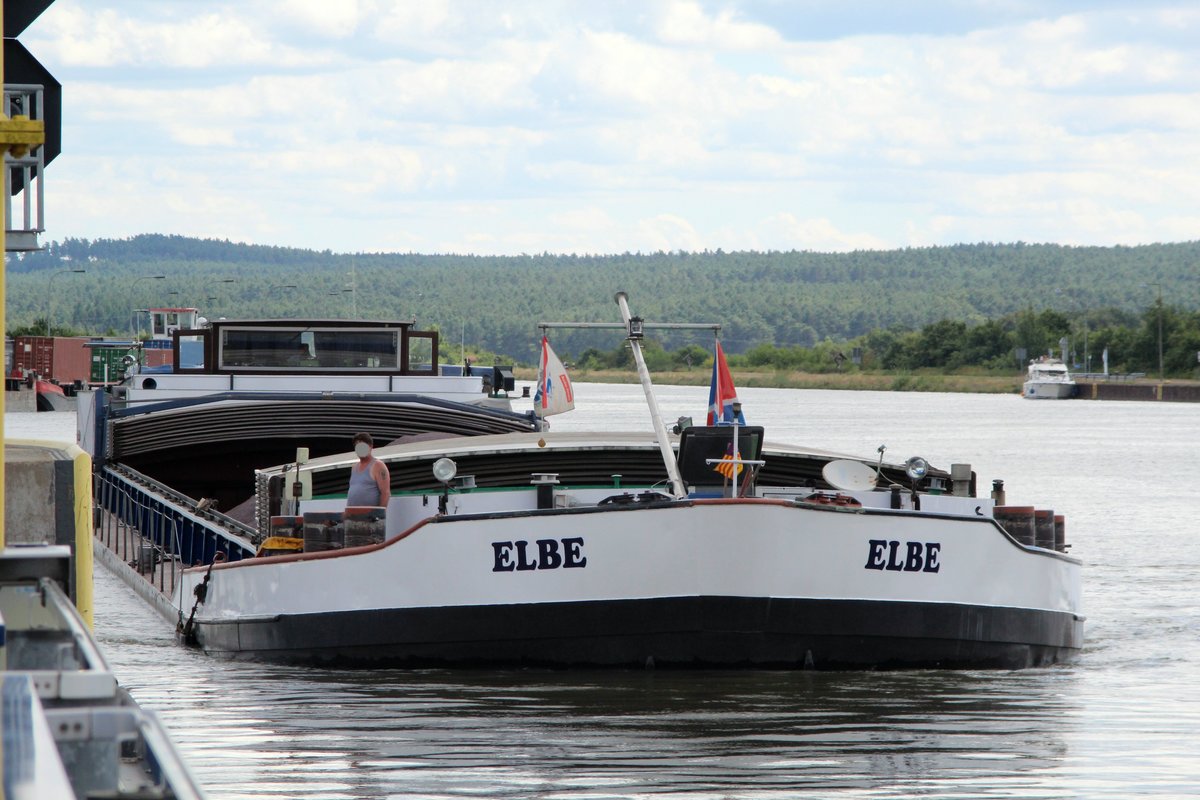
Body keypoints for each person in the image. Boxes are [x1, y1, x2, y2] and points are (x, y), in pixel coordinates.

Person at [346, 432, 391, 508]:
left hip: (370, 516)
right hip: (352, 515)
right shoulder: (354, 467)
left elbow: (385, 493)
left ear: (370, 447)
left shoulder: (378, 465)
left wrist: (379, 515)